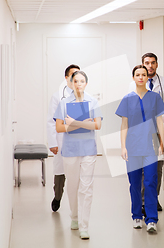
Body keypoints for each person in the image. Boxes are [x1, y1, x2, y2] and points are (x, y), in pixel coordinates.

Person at [129, 53, 164, 212]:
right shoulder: (133, 84)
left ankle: (152, 199)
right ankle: (145, 201)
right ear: (142, 64)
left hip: (158, 131)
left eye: (153, 63)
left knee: (157, 168)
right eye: (147, 63)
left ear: (157, 65)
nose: (150, 66)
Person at [117, 65, 164, 234]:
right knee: (134, 184)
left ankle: (152, 219)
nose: (140, 77)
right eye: (137, 75)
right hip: (132, 146)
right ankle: (136, 216)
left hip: (150, 146)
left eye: (143, 74)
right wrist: (123, 146)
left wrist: (161, 142)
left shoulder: (155, 98)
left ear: (147, 78)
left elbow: (160, 121)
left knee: (151, 182)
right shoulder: (127, 99)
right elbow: (124, 124)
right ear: (133, 78)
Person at [54, 70, 103, 240]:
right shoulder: (64, 103)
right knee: (73, 186)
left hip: (89, 150)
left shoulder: (93, 102)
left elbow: (97, 125)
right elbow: (59, 127)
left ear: (86, 83)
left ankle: (84, 225)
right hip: (70, 150)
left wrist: (73, 123)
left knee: (86, 188)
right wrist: (83, 124)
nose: (79, 84)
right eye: (76, 81)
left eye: (82, 81)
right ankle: (74, 216)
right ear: (71, 83)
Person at [47, 64, 80, 212]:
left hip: (78, 141)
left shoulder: (83, 95)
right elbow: (50, 121)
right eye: (73, 75)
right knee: (60, 172)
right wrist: (53, 142)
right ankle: (58, 196)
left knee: (77, 173)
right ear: (66, 78)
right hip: (62, 139)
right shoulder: (57, 96)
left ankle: (75, 204)